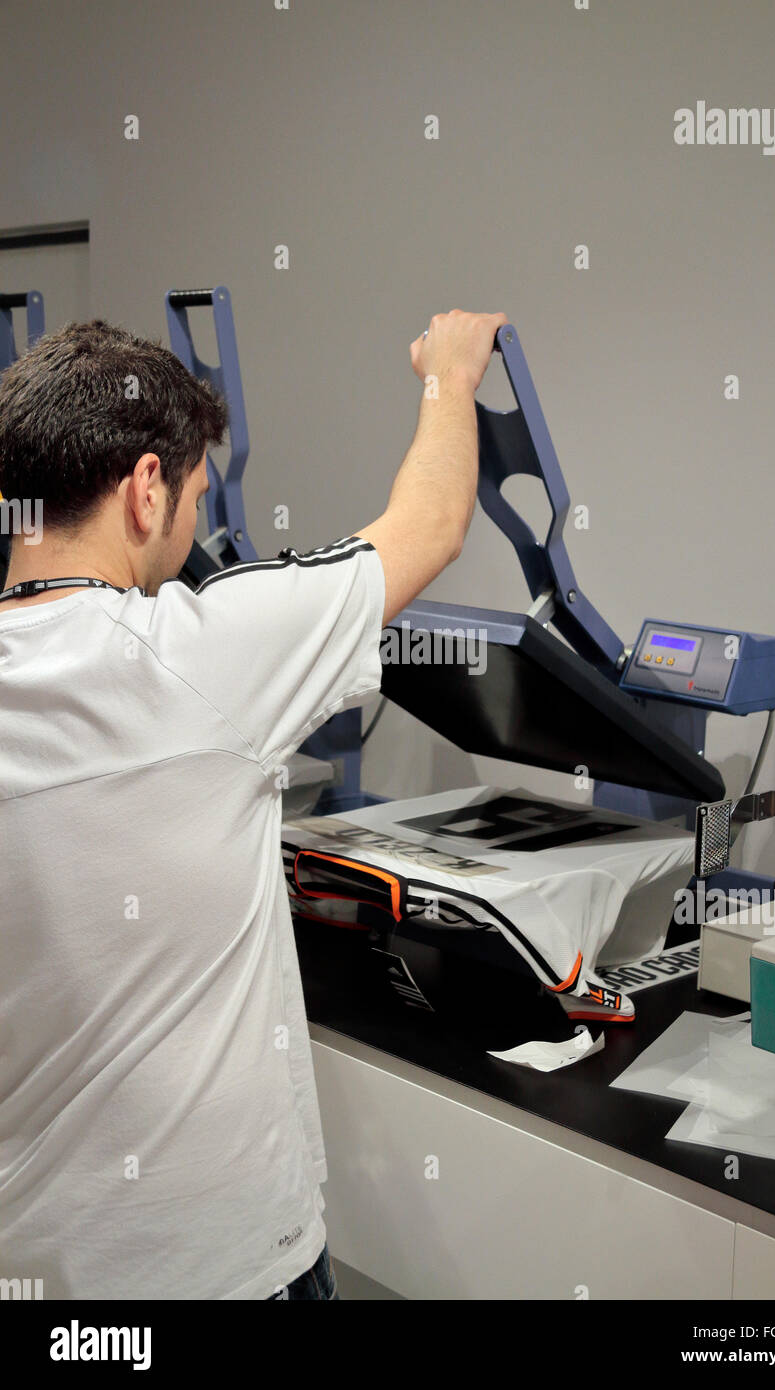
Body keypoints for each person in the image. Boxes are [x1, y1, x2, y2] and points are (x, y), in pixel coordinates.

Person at [0, 308, 506, 1300]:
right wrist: (448, 372)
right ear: (146, 489)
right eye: (192, 494)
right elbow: (431, 524)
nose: (192, 523)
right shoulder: (200, 652)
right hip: (219, 1272)